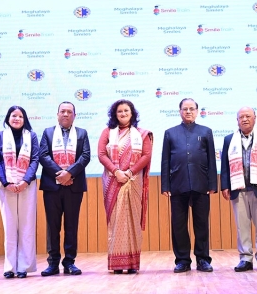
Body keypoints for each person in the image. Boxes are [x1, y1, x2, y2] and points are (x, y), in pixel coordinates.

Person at [161, 98, 217, 273]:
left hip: (201, 184)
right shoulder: (170, 133)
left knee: (201, 224)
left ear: (197, 111)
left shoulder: (206, 132)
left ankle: (203, 260)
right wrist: (165, 185)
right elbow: (165, 161)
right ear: (179, 111)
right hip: (178, 185)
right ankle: (183, 260)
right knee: (178, 225)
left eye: (191, 109)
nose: (188, 112)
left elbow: (211, 161)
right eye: (185, 109)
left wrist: (212, 183)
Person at [98, 100, 153, 274]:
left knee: (132, 220)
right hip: (113, 181)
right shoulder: (107, 132)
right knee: (116, 222)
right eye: (119, 111)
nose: (123, 114)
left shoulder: (141, 134)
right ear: (115, 114)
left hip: (133, 181)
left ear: (132, 113)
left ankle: (131, 264)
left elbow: (146, 155)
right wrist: (116, 171)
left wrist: (129, 173)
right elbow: (100, 154)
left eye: (126, 111)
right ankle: (117, 263)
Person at [220, 107, 257, 272]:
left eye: (248, 116)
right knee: (241, 227)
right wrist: (224, 186)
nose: (245, 119)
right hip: (239, 189)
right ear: (237, 120)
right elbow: (224, 165)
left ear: (255, 118)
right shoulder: (229, 139)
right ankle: (245, 258)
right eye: (241, 117)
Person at [39, 101, 91, 276]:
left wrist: (69, 174)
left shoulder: (82, 133)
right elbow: (43, 155)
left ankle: (69, 262)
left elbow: (85, 156)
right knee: (52, 226)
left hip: (73, 186)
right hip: (52, 187)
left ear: (74, 115)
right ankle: (53, 263)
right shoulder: (47, 132)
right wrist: (60, 174)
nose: (66, 114)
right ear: (57, 114)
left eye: (69, 112)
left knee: (71, 225)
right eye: (63, 111)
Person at [0, 106, 39, 279]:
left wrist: (26, 180)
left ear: (24, 119)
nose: (17, 118)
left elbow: (35, 159)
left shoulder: (31, 136)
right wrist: (6, 182)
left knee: (26, 226)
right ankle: (10, 266)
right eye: (14, 115)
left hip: (28, 185)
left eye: (20, 116)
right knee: (9, 227)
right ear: (8, 118)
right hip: (6, 186)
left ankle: (24, 267)